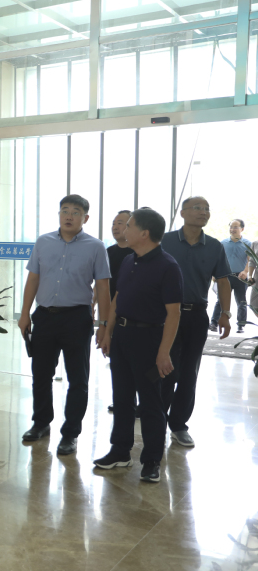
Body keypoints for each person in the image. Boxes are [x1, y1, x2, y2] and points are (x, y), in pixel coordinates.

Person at [18, 195, 110, 456]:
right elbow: (33, 279)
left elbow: (103, 287)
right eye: (65, 211)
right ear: (59, 214)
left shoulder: (96, 247)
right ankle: (41, 423)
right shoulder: (43, 242)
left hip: (77, 318)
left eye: (76, 212)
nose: (69, 216)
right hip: (45, 316)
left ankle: (70, 433)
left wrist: (104, 325)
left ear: (85, 218)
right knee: (41, 374)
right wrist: (24, 313)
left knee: (77, 378)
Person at [95, 208, 182, 483]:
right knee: (121, 397)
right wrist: (108, 331)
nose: (124, 229)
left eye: (129, 225)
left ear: (144, 233)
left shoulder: (168, 266)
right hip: (122, 337)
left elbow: (174, 313)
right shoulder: (128, 260)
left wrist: (164, 352)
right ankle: (120, 451)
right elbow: (118, 297)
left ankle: (152, 459)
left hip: (149, 340)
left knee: (151, 402)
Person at [161, 197, 232, 448]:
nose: (204, 212)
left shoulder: (214, 246)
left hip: (196, 315)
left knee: (189, 371)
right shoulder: (165, 241)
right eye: (197, 208)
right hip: (165, 315)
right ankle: (157, 420)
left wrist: (225, 313)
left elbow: (223, 281)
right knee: (165, 368)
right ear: (182, 213)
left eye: (207, 209)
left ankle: (179, 425)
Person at [103, 211, 135, 415]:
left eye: (120, 223)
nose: (115, 227)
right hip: (112, 311)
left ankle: (137, 401)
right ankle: (122, 400)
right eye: (114, 223)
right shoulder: (108, 252)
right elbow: (101, 283)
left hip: (132, 314)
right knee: (116, 360)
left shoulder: (137, 253)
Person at [209, 219, 251, 334]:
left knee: (241, 302)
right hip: (225, 276)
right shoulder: (223, 243)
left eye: (235, 227)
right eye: (231, 227)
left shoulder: (247, 243)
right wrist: (214, 273)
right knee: (220, 301)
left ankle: (241, 325)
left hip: (240, 277)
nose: (232, 229)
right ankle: (213, 323)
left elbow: (250, 260)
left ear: (242, 229)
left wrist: (245, 271)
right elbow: (217, 259)